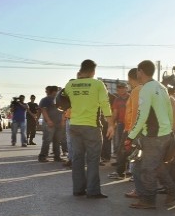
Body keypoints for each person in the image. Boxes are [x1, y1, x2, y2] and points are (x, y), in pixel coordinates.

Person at [126, 60, 175, 209]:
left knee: (147, 168)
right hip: (165, 133)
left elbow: (142, 115)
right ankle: (172, 189)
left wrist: (131, 136)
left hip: (154, 135)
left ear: (140, 71)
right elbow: (169, 111)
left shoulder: (146, 89)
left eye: (137, 71)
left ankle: (148, 200)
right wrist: (170, 131)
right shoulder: (162, 87)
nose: (137, 74)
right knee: (157, 165)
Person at [64, 59, 114, 198]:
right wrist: (110, 124)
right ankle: (93, 191)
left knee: (77, 158)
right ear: (93, 71)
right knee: (93, 159)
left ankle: (78, 189)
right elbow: (105, 104)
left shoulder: (70, 84)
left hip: (74, 125)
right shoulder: (98, 84)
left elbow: (60, 101)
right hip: (91, 126)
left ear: (80, 70)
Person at [109, 70, 139, 179]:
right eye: (119, 88)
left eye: (123, 88)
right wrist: (111, 125)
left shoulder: (133, 95)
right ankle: (125, 171)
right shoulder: (117, 100)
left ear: (126, 88)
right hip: (122, 125)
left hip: (132, 126)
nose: (120, 90)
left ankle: (127, 172)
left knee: (128, 149)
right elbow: (115, 113)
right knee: (121, 148)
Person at [38, 86, 65, 162]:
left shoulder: (59, 100)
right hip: (49, 123)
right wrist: (48, 120)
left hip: (58, 123)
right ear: (53, 91)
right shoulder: (45, 100)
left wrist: (62, 121)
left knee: (57, 140)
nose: (58, 92)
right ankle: (42, 156)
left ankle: (57, 157)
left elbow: (63, 111)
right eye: (56, 91)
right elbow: (43, 110)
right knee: (47, 140)